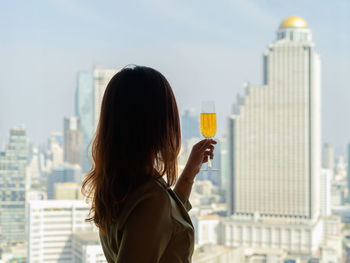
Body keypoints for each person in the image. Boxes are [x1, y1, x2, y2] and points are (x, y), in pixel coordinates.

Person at [82, 65, 216, 263]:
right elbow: (155, 215)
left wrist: (188, 176)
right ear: (158, 124)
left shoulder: (120, 184)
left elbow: (162, 223)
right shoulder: (151, 198)